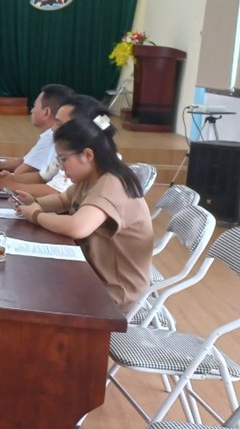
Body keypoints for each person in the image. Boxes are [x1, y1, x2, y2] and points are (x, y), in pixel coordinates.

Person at [14, 117, 153, 312]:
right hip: (90, 274)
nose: (61, 166)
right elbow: (64, 199)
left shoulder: (112, 184)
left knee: (29, 291)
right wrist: (34, 203)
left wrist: (36, 215)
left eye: (64, 159)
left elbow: (77, 227)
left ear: (87, 155)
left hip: (114, 293)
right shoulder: (90, 178)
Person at [0, 94, 108, 196]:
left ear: (81, 127)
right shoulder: (70, 151)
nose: (53, 128)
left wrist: (12, 186)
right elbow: (41, 176)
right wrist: (7, 178)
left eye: (59, 123)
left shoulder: (83, 158)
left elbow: (56, 192)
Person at [0, 84, 74, 175]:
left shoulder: (50, 136)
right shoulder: (53, 135)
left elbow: (20, 172)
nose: (32, 110)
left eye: (34, 106)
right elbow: (25, 161)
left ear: (46, 112)